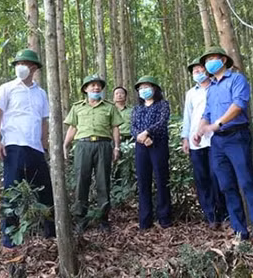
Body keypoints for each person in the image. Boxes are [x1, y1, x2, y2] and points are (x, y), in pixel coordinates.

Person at [196, 46, 253, 245]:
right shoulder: (211, 88)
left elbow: (238, 105)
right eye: (207, 60)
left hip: (236, 137)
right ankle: (239, 230)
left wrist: (217, 124)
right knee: (226, 185)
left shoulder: (237, 79)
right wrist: (200, 130)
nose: (210, 62)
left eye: (213, 58)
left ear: (223, 60)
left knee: (246, 183)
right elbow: (207, 113)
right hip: (217, 142)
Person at [0, 49, 55, 248]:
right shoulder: (6, 88)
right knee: (11, 191)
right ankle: (9, 238)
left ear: (34, 68)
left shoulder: (41, 93)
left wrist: (45, 145)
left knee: (46, 191)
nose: (21, 67)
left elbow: (44, 121)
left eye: (26, 63)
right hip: (13, 145)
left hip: (35, 147)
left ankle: (50, 233)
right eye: (19, 63)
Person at [63, 75, 122, 232]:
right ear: (85, 89)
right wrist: (65, 145)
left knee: (103, 182)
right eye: (92, 85)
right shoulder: (77, 107)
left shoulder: (109, 107)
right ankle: (80, 218)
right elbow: (72, 127)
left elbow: (115, 127)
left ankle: (103, 218)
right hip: (83, 146)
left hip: (103, 145)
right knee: (82, 181)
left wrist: (117, 147)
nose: (96, 88)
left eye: (99, 86)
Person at [181, 58, 226, 228]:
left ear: (207, 70)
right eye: (195, 71)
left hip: (215, 138)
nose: (198, 73)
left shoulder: (217, 86)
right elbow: (188, 116)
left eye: (201, 69)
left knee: (218, 176)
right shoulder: (191, 93)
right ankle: (210, 216)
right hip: (196, 141)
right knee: (202, 179)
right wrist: (185, 137)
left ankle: (223, 213)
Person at [130, 76, 172, 229]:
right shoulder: (137, 109)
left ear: (154, 89)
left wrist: (147, 133)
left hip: (158, 145)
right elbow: (133, 127)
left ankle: (164, 218)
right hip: (141, 147)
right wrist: (141, 137)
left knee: (161, 180)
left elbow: (162, 122)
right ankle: (145, 220)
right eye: (141, 88)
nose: (144, 90)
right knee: (143, 181)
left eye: (147, 87)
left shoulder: (162, 105)